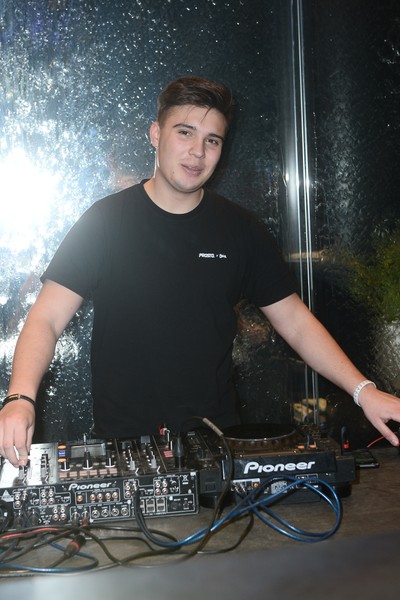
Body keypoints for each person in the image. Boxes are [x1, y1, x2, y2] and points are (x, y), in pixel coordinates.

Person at [1, 75, 400, 468]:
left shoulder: (241, 230)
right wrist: (20, 398)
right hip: (124, 448)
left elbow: (295, 321)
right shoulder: (104, 222)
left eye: (212, 140)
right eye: (185, 133)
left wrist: (364, 391)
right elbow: (46, 318)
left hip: (219, 447)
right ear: (156, 134)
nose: (197, 152)